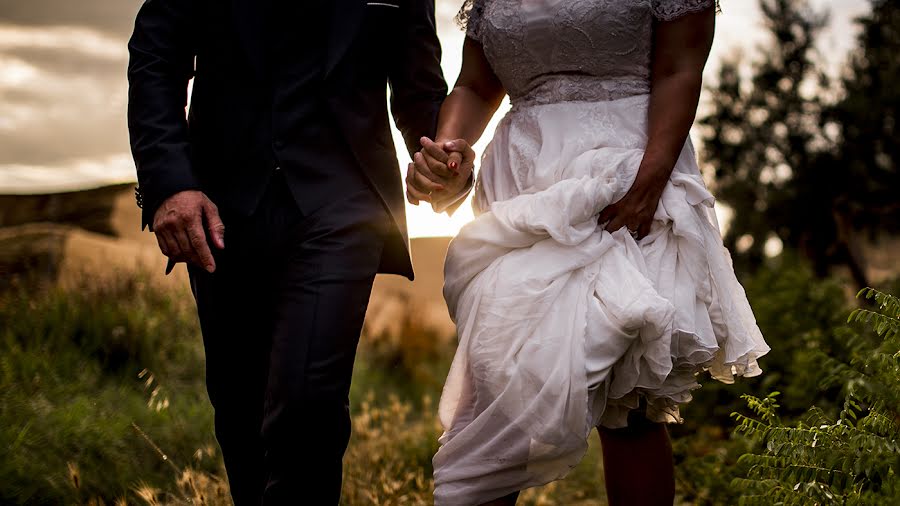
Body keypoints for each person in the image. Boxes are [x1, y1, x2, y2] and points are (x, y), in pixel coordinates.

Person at [406, 1, 771, 504]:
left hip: (628, 178)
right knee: (499, 379)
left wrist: (648, 184)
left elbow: (679, 69)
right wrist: (448, 147)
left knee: (629, 397)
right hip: (525, 189)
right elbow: (474, 84)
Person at [126, 1, 473, 504]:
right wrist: (168, 186)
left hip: (343, 207)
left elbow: (419, 85)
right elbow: (157, 54)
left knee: (306, 407)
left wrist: (445, 160)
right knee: (239, 413)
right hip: (220, 208)